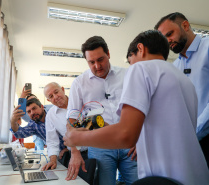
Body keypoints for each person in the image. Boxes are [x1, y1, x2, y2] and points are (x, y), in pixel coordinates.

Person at [64, 30, 209, 185]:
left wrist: (77, 138)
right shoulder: (183, 78)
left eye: (131, 60)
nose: (97, 66)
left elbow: (126, 133)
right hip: (194, 171)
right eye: (91, 62)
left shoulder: (137, 70)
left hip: (147, 159)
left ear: (140, 49)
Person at [66, 36, 138, 185]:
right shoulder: (79, 83)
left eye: (101, 59)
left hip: (130, 145)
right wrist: (75, 152)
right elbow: (72, 120)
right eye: (91, 62)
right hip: (99, 146)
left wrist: (142, 140)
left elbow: (141, 110)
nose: (97, 66)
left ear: (109, 54)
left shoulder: (127, 75)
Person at [155, 12, 209, 167]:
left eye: (170, 34)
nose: (168, 41)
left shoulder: (207, 48)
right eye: (164, 38)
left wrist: (193, 132)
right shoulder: (175, 67)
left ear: (185, 25)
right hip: (190, 143)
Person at [41, 82, 88, 180]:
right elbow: (52, 141)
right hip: (74, 156)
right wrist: (53, 160)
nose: (55, 97)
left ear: (62, 89)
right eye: (51, 96)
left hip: (95, 151)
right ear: (49, 100)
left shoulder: (81, 102)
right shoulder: (50, 115)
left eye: (56, 92)